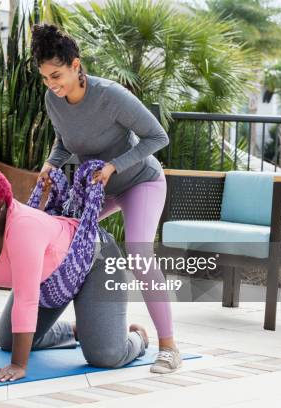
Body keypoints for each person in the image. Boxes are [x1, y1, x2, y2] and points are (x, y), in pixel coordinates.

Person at [32, 23, 181, 373]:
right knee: (64, 238)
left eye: (57, 75)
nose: (52, 84)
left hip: (141, 181)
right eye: (45, 78)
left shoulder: (110, 95)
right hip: (99, 188)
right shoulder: (52, 99)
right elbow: (65, 141)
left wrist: (115, 165)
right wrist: (50, 164)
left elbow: (157, 137)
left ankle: (169, 347)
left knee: (139, 252)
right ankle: (81, 329)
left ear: (75, 65)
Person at [0, 166, 148, 382]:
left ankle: (138, 337)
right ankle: (77, 330)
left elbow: (26, 298)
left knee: (105, 356)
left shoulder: (23, 227)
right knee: (8, 340)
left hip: (93, 258)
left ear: (1, 204)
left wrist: (18, 364)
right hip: (51, 279)